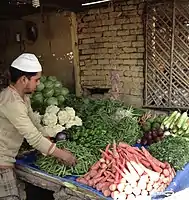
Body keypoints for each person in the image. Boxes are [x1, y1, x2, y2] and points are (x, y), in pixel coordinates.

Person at [0, 53, 77, 200]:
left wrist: (50, 142)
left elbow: (34, 124)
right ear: (24, 79)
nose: (38, 84)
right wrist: (63, 155)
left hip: (7, 158)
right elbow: (33, 138)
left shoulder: (23, 98)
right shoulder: (11, 102)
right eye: (36, 80)